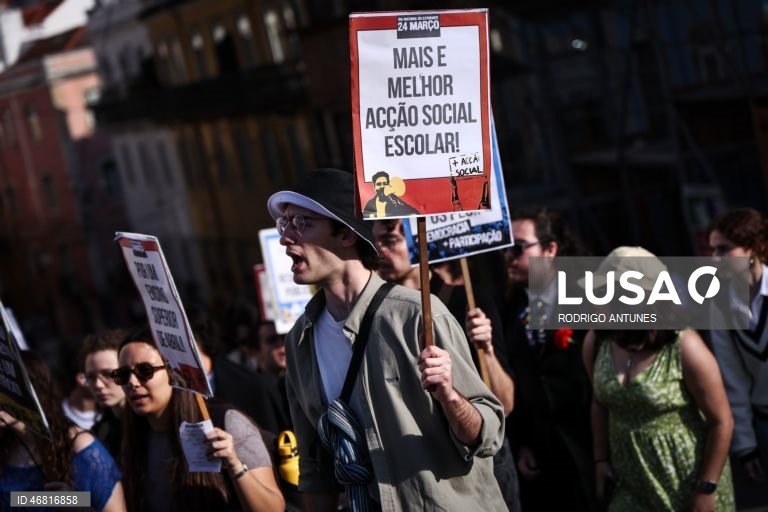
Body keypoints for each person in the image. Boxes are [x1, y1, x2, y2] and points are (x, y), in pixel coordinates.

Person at [267, 168, 506, 510]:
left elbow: (489, 433)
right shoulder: (298, 340)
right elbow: (314, 466)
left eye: (301, 223)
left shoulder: (417, 315)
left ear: (347, 234)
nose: (286, 238)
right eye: (284, 224)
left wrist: (450, 397)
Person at [372, 219, 520, 510]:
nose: (380, 250)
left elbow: (506, 403)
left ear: (418, 241)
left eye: (389, 240)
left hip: (481, 456)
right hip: (420, 463)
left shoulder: (469, 302)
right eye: (374, 242)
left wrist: (486, 348)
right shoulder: (377, 314)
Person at [582, 246, 735, 511]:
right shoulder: (597, 340)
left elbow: (721, 422)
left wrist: (706, 487)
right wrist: (600, 461)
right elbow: (599, 403)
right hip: (629, 484)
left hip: (686, 481)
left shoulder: (684, 346)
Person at [115, 327, 284, 512]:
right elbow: (93, 500)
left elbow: (272, 509)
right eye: (123, 375)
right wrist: (77, 499)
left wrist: (235, 465)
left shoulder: (225, 423)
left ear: (174, 372)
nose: (132, 382)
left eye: (144, 370)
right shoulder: (127, 436)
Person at [502, 206, 596, 511]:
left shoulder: (587, 297)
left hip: (591, 444)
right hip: (545, 459)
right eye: (504, 248)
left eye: (518, 247)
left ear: (550, 249)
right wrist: (524, 443)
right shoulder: (508, 310)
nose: (508, 256)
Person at [0, 351, 125, 512]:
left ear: (30, 390)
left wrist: (71, 500)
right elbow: (19, 499)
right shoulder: (7, 447)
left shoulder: (78, 446)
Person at [708, 207, 768, 482]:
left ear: (753, 249)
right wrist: (745, 443)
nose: (715, 259)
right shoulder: (720, 306)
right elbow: (733, 379)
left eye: (724, 250)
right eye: (712, 250)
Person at [80, 329, 127, 459]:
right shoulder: (99, 433)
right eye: (90, 377)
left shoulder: (154, 423)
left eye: (107, 374)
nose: (98, 385)